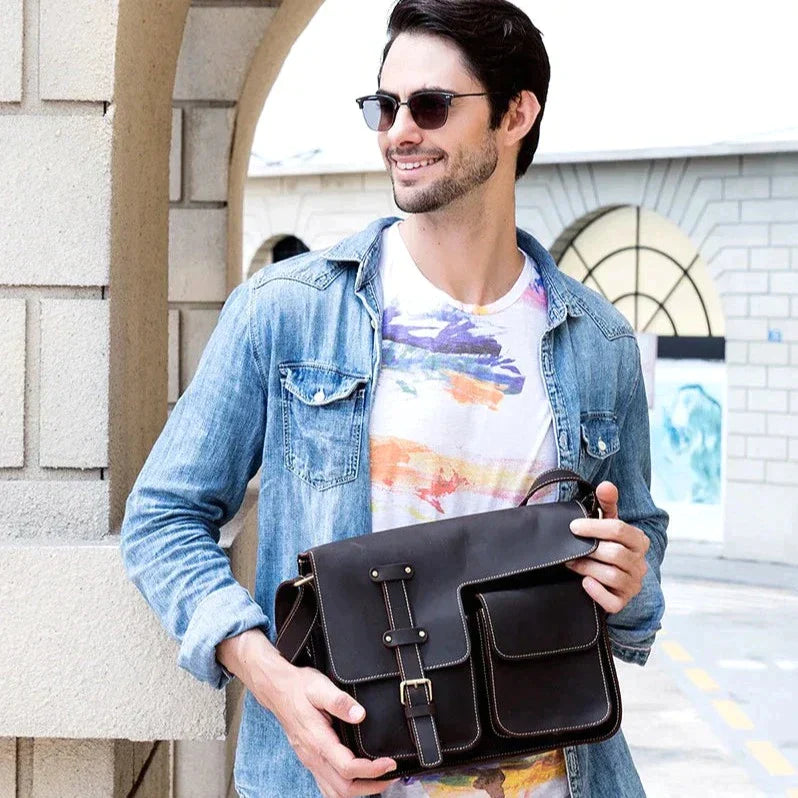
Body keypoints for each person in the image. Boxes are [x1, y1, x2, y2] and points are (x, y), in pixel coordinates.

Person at [119, 1, 668, 796]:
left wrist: (628, 576)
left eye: (431, 105)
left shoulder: (600, 342)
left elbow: (639, 549)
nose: (398, 130)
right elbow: (162, 518)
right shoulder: (289, 311)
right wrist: (268, 677)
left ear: (517, 113)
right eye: (385, 105)